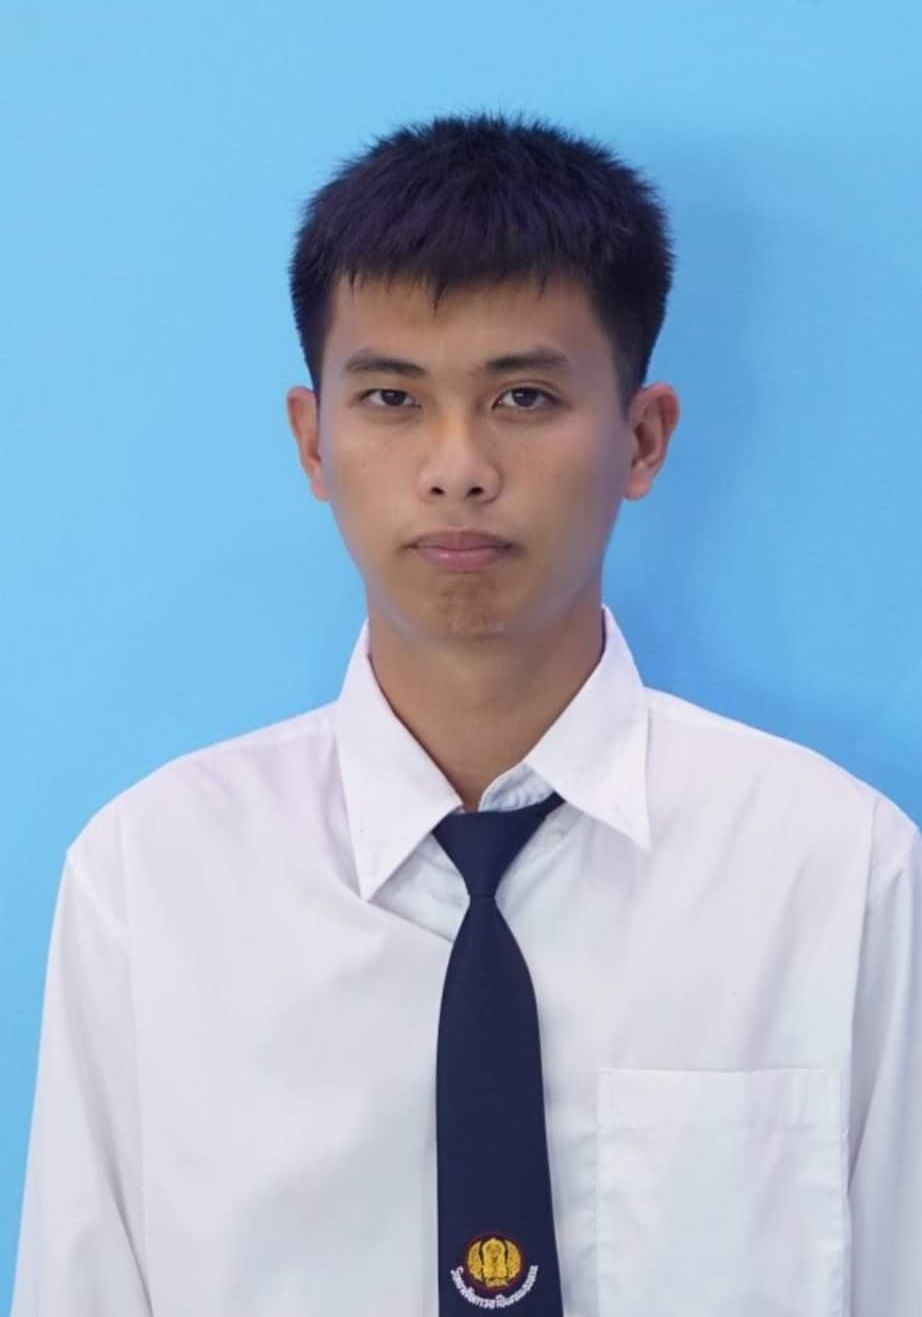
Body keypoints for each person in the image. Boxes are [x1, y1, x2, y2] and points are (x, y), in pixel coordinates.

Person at [9, 109, 920, 1317]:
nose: (456, 467)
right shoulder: (150, 881)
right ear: (312, 441)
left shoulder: (836, 872)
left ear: (642, 439)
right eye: (391, 397)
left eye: (524, 396)